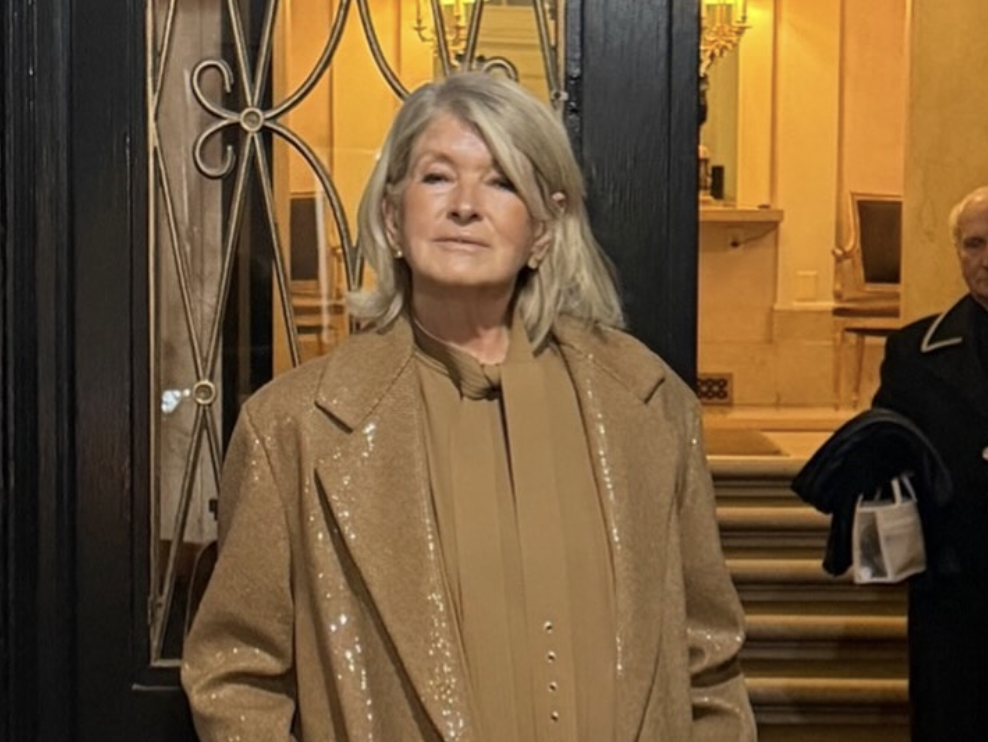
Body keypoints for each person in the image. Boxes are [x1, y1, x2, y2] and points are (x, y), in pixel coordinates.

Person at [181, 71, 755, 742]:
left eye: (501, 182)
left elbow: (708, 662)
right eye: (437, 177)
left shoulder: (650, 406)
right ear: (392, 217)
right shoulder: (293, 427)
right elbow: (236, 675)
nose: (464, 206)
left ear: (543, 231)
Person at [871, 185, 988, 742]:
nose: (986, 259)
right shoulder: (913, 353)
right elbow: (883, 454)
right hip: (955, 583)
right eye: (974, 244)